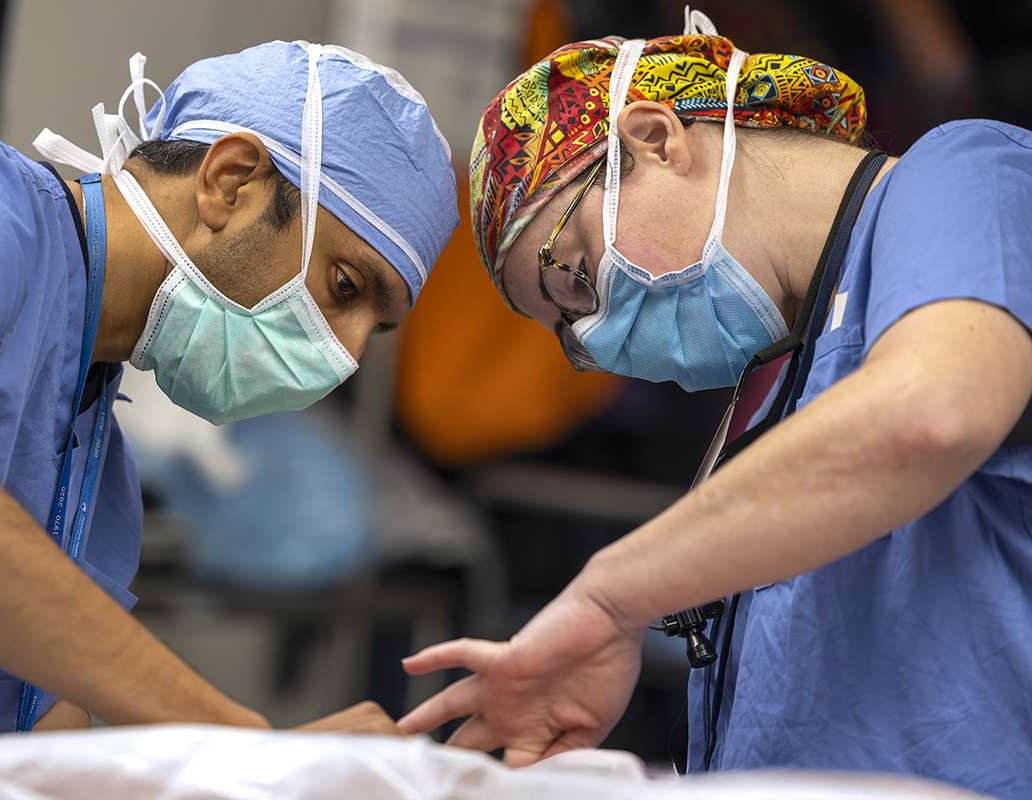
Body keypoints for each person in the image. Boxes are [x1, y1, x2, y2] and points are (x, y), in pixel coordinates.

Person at [396, 16, 1032, 800]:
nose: (595, 335)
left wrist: (613, 594)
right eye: (569, 334)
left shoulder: (967, 176)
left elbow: (931, 411)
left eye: (577, 279)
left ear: (657, 139)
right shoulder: (785, 376)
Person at [0, 41, 457, 754]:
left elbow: (34, 739)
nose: (346, 353)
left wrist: (261, 772)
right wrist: (240, 740)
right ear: (230, 182)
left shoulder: (92, 460)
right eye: (345, 287)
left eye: (374, 330)